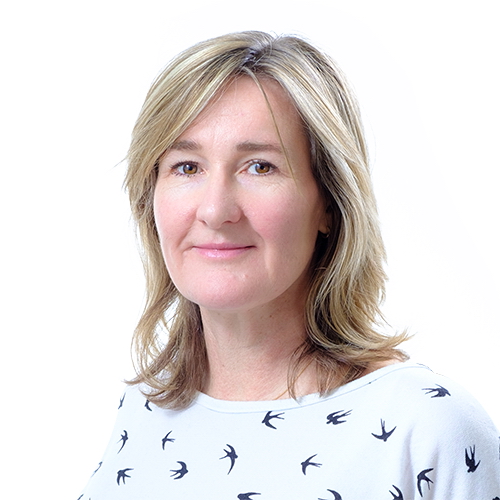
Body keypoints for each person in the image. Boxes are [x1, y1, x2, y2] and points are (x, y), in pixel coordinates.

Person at [79, 31, 500, 499]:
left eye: (260, 166)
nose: (215, 210)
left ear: (330, 204)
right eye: (187, 167)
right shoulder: (143, 411)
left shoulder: (425, 429)